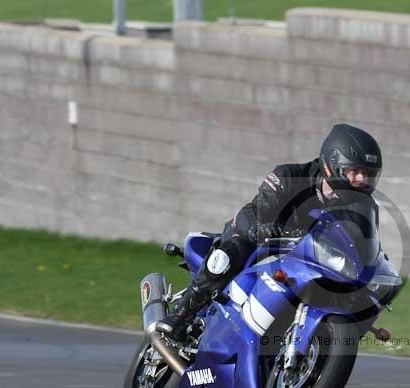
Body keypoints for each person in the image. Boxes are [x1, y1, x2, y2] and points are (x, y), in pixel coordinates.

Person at [155, 123, 383, 341]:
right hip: (256, 233)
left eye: (368, 174)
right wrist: (266, 226)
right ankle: (181, 314)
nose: (362, 180)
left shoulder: (365, 207)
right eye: (355, 171)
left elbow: (361, 244)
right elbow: (266, 207)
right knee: (231, 252)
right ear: (330, 165)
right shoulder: (289, 176)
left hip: (304, 256)